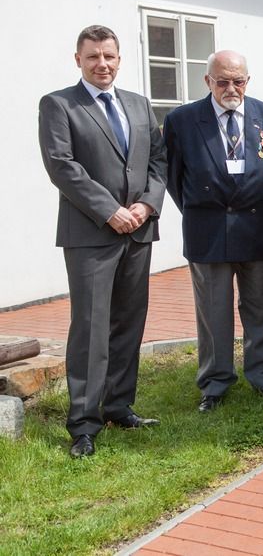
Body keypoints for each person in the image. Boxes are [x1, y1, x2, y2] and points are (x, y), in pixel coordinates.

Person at [38, 25, 167, 458]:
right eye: (93, 57)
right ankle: (84, 423)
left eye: (109, 56)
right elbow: (62, 166)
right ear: (78, 59)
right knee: (91, 329)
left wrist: (147, 206)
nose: (102, 64)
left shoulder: (138, 104)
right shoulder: (59, 105)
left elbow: (157, 159)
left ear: (119, 58)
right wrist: (110, 210)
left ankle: (118, 406)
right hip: (92, 234)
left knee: (129, 321)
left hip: (139, 228)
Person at [163, 50, 263, 413]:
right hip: (208, 229)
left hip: (258, 226)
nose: (231, 88)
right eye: (222, 81)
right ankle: (215, 384)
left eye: (238, 80)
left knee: (262, 308)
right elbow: (174, 179)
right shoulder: (182, 120)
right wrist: (204, 210)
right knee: (213, 312)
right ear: (208, 82)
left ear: (248, 80)